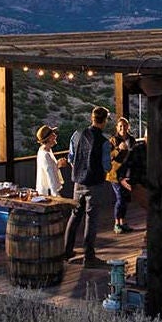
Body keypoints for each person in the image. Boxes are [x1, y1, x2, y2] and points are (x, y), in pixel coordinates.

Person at [64, 106, 111, 268]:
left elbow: (71, 157)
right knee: (91, 218)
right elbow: (107, 167)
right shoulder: (104, 143)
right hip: (95, 183)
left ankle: (67, 250)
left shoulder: (77, 135)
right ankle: (89, 257)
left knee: (75, 214)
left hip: (78, 181)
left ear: (92, 118)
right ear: (104, 120)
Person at [107, 117, 137, 234]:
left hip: (126, 174)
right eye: (120, 126)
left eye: (124, 126)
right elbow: (108, 157)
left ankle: (123, 222)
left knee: (125, 199)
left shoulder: (132, 140)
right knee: (120, 198)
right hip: (115, 174)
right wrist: (118, 150)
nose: (122, 128)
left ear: (128, 127)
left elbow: (133, 156)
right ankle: (116, 223)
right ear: (117, 128)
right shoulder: (113, 140)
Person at [34, 124, 68, 197]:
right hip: (47, 193)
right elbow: (50, 175)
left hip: (47, 192)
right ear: (49, 138)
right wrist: (56, 195)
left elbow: (51, 168)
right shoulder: (45, 154)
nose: (55, 136)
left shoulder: (46, 150)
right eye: (53, 134)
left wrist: (58, 164)